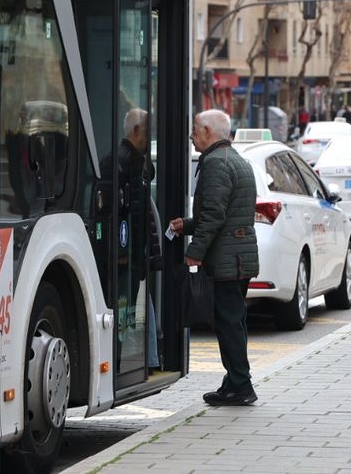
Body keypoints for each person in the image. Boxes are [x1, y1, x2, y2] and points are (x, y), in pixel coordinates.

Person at [169, 109, 260, 406]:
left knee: (228, 323)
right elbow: (224, 212)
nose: (191, 135)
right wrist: (187, 225)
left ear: (208, 131)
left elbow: (214, 215)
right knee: (234, 321)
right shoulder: (236, 159)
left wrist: (194, 252)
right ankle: (234, 381)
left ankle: (241, 385)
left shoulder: (215, 163)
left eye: (195, 129)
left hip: (228, 260)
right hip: (239, 258)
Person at [99, 108, 162, 368]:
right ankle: (117, 361)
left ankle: (135, 359)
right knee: (121, 311)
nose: (150, 139)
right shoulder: (118, 163)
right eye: (148, 132)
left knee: (128, 313)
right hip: (124, 255)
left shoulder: (136, 162)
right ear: (136, 131)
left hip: (133, 254)